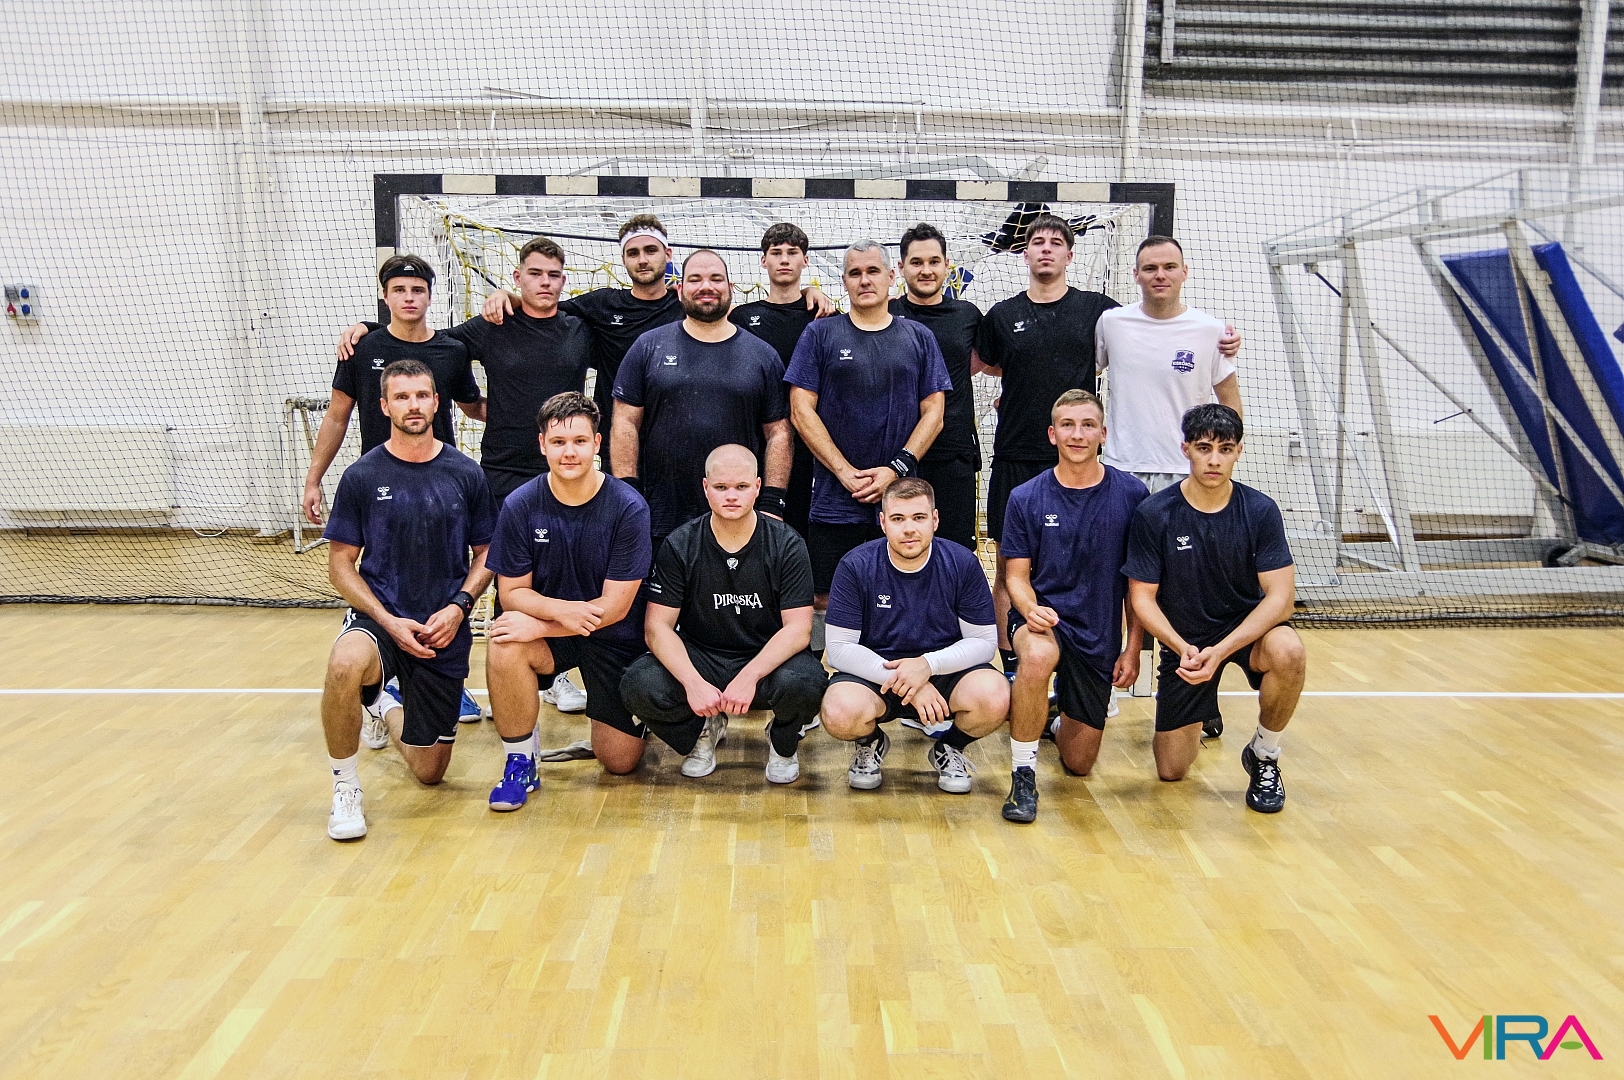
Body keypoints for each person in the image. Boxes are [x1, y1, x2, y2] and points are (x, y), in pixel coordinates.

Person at [336, 236, 598, 715]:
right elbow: (421, 338)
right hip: (502, 469)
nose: (544, 283)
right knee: (506, 571)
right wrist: (370, 329)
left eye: (553, 275)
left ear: (564, 281)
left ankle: (553, 672)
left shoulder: (581, 326)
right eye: (533, 274)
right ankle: (505, 672)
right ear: (516, 277)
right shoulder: (490, 326)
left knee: (560, 569)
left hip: (566, 471)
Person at [976, 216, 1241, 682]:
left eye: (1056, 242)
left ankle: (1161, 670)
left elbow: (1161, 349)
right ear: (1024, 252)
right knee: (1026, 569)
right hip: (1034, 456)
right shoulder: (1018, 315)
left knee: (1146, 575)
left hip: (1119, 464)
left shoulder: (1105, 314)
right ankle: (1025, 666)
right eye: (1037, 242)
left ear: (1070, 254)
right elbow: (994, 363)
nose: (1046, 249)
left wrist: (1226, 344)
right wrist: (1018, 391)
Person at [481, 216, 833, 470]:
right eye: (633, 253)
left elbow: (742, 318)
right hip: (625, 445)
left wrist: (807, 291)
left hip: (699, 447)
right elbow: (544, 309)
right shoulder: (602, 305)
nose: (643, 259)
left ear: (668, 254)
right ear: (623, 259)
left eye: (650, 250)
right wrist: (509, 296)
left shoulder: (692, 306)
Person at [318, 360, 496, 840]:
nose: (413, 405)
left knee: (429, 770)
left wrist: (459, 606)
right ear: (384, 406)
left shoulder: (466, 473)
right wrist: (386, 619)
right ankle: (345, 787)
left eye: (421, 395)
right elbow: (340, 565)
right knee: (344, 664)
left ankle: (382, 704)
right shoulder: (361, 475)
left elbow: (487, 553)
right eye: (402, 397)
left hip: (443, 627)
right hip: (380, 619)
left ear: (437, 402)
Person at [309, 255, 490, 725]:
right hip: (382, 488)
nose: (409, 298)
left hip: (441, 488)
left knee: (445, 582)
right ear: (385, 295)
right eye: (399, 290)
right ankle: (377, 684)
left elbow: (474, 406)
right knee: (380, 579)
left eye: (417, 290)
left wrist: (532, 414)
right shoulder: (363, 346)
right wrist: (313, 478)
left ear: (430, 295)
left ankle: (445, 684)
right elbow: (337, 415)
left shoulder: (451, 350)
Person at [1124, 404, 1305, 814]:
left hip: (1248, 633)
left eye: (1225, 449)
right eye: (1204, 448)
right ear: (1185, 449)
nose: (1214, 459)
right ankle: (1203, 706)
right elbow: (1142, 598)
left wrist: (1221, 651)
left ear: (1238, 451)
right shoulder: (1155, 514)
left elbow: (1281, 599)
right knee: (1171, 770)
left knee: (1289, 651)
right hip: (1187, 643)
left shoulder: (1259, 511)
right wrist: (1182, 647)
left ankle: (1264, 754)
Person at [482, 393, 653, 805]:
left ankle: (635, 721)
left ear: (597, 443)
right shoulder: (520, 505)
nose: (569, 452)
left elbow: (616, 607)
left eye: (579, 441)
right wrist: (560, 614)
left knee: (619, 762)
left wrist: (543, 623)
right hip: (554, 635)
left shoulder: (628, 507)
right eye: (558, 442)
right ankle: (520, 761)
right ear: (542, 444)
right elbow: (511, 591)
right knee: (505, 643)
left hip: (613, 636)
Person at [620, 444, 828, 782]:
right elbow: (657, 628)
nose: (731, 496)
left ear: (758, 487)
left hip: (767, 659)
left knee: (807, 682)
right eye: (721, 487)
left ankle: (782, 741)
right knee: (638, 683)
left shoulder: (787, 544)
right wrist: (693, 683)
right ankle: (702, 728)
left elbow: (798, 629)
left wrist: (750, 676)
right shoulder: (680, 544)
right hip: (703, 656)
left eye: (741, 487)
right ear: (705, 488)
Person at [785, 240, 951, 657]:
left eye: (873, 271)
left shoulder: (918, 336)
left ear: (891, 276)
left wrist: (896, 470)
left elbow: (934, 413)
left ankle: (904, 678)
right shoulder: (820, 334)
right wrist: (843, 472)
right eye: (855, 273)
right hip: (834, 496)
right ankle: (821, 684)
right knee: (825, 595)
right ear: (843, 281)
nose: (864, 280)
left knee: (905, 586)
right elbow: (800, 409)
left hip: (900, 499)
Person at [999, 390, 1148, 823]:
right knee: (1037, 655)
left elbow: (1137, 585)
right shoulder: (1026, 497)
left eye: (1087, 425)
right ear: (1052, 434)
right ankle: (1023, 774)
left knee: (1080, 763)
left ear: (1103, 434)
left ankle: (1054, 717)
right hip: (1042, 620)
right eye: (1067, 425)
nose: (1077, 434)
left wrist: (1133, 648)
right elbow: (1015, 576)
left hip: (1098, 632)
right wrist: (1030, 609)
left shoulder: (1132, 494)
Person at [818, 478, 1009, 793]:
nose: (909, 529)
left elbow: (984, 643)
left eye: (919, 518)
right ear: (883, 522)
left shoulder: (962, 563)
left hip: (944, 673)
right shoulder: (856, 565)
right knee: (839, 711)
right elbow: (839, 649)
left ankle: (950, 747)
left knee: (995, 695)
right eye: (898, 519)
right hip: (876, 674)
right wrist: (911, 683)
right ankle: (870, 742)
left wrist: (927, 666)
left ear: (935, 520)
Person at [611, 249, 792, 553]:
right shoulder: (648, 346)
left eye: (715, 279)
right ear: (680, 289)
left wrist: (773, 502)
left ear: (730, 288)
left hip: (738, 518)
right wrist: (628, 494)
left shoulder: (762, 355)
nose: (706, 286)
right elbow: (624, 422)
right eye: (695, 279)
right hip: (659, 516)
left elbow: (779, 433)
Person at [1097, 236, 1243, 494]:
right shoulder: (1111, 323)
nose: (1160, 275)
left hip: (1185, 468)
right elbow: (1081, 374)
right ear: (1136, 275)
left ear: (1184, 272)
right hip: (1123, 467)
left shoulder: (1210, 330)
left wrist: (1219, 455)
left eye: (1170, 267)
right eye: (1150, 268)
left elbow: (1230, 401)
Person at [890, 222, 983, 552]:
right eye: (916, 262)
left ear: (946, 265)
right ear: (901, 267)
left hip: (953, 454)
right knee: (900, 547)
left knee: (954, 552)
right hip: (895, 455)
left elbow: (992, 363)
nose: (926, 270)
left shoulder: (967, 315)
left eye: (933, 261)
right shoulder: (886, 312)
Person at [731, 222, 823, 536]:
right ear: (763, 260)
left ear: (805, 260)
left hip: (809, 444)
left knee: (799, 529)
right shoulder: (742, 317)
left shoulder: (822, 316)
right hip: (754, 440)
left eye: (792, 253)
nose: (784, 259)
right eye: (776, 252)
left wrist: (813, 293)